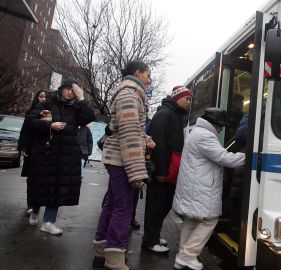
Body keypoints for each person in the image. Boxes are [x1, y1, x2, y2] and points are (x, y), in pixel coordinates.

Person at [93, 60, 155, 270]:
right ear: (138, 73)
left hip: (118, 159)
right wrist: (136, 172)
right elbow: (128, 136)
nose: (149, 79)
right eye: (148, 74)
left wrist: (144, 137)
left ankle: (102, 252)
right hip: (122, 160)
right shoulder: (130, 95)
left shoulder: (127, 93)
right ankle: (115, 259)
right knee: (124, 209)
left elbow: (121, 128)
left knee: (112, 205)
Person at [172, 108, 245, 270]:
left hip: (193, 185)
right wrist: (249, 156)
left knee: (191, 220)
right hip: (199, 186)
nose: (221, 129)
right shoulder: (205, 136)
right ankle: (187, 255)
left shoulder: (197, 132)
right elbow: (225, 158)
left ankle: (183, 256)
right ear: (214, 123)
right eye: (221, 126)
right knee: (209, 220)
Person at [24, 79, 95, 234]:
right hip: (45, 153)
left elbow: (89, 117)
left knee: (57, 188)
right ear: (61, 88)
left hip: (65, 155)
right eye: (67, 89)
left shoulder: (76, 107)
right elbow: (30, 121)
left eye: (73, 90)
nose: (70, 92)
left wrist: (82, 98)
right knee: (40, 185)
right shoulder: (47, 103)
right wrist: (50, 126)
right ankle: (34, 211)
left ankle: (49, 222)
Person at [142, 85, 192, 254]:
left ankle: (154, 236)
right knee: (156, 206)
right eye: (187, 98)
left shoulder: (175, 115)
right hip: (163, 171)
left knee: (164, 204)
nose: (189, 102)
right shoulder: (164, 114)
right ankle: (149, 241)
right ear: (177, 98)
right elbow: (159, 145)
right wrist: (161, 172)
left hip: (170, 170)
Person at [18, 89, 47, 217]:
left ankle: (37, 204)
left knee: (42, 179)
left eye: (45, 97)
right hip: (31, 147)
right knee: (31, 178)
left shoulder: (51, 113)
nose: (43, 99)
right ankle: (31, 205)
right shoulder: (31, 113)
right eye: (41, 96)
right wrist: (22, 146)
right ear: (37, 98)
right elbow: (24, 130)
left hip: (45, 149)